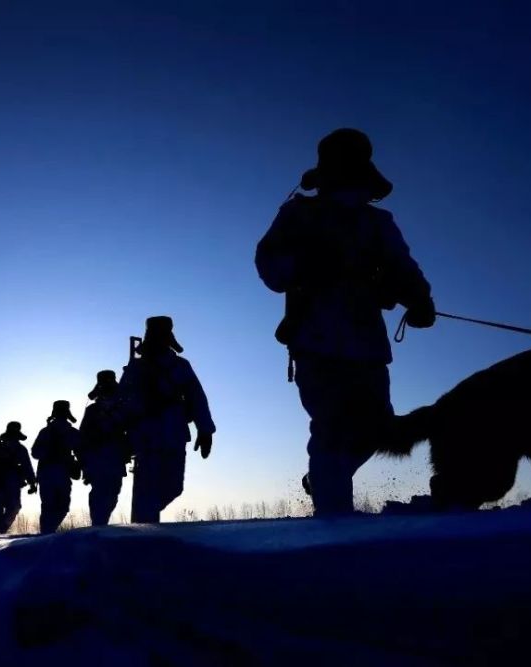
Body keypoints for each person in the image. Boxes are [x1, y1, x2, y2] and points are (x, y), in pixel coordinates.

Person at [254, 128, 436, 516]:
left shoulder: (379, 223)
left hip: (367, 343)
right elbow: (269, 264)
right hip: (315, 339)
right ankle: (334, 521)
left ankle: (323, 478)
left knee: (377, 431)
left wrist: (420, 300)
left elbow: (403, 268)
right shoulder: (298, 214)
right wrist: (306, 266)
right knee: (332, 426)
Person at [115, 316, 215, 524]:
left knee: (174, 486)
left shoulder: (180, 365)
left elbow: (196, 396)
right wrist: (122, 435)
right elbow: (121, 401)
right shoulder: (136, 368)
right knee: (146, 491)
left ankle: (146, 516)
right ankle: (143, 531)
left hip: (174, 432)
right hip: (146, 435)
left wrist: (205, 430)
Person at [79, 370, 131, 526]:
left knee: (114, 492)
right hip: (96, 457)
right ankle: (98, 524)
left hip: (116, 456)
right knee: (98, 493)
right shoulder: (92, 410)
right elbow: (83, 436)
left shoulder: (123, 407)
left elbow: (131, 428)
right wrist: (83, 461)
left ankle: (102, 522)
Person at [31, 400, 82, 534]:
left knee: (58, 507)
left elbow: (81, 452)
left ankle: (47, 533)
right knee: (53, 507)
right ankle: (46, 534)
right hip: (50, 473)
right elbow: (35, 452)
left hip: (59, 474)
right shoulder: (48, 432)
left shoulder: (70, 432)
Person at [0, 421, 38, 536]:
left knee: (11, 508)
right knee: (1, 508)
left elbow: (27, 466)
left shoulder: (18, 449)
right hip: (0, 482)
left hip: (9, 482)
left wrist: (32, 482)